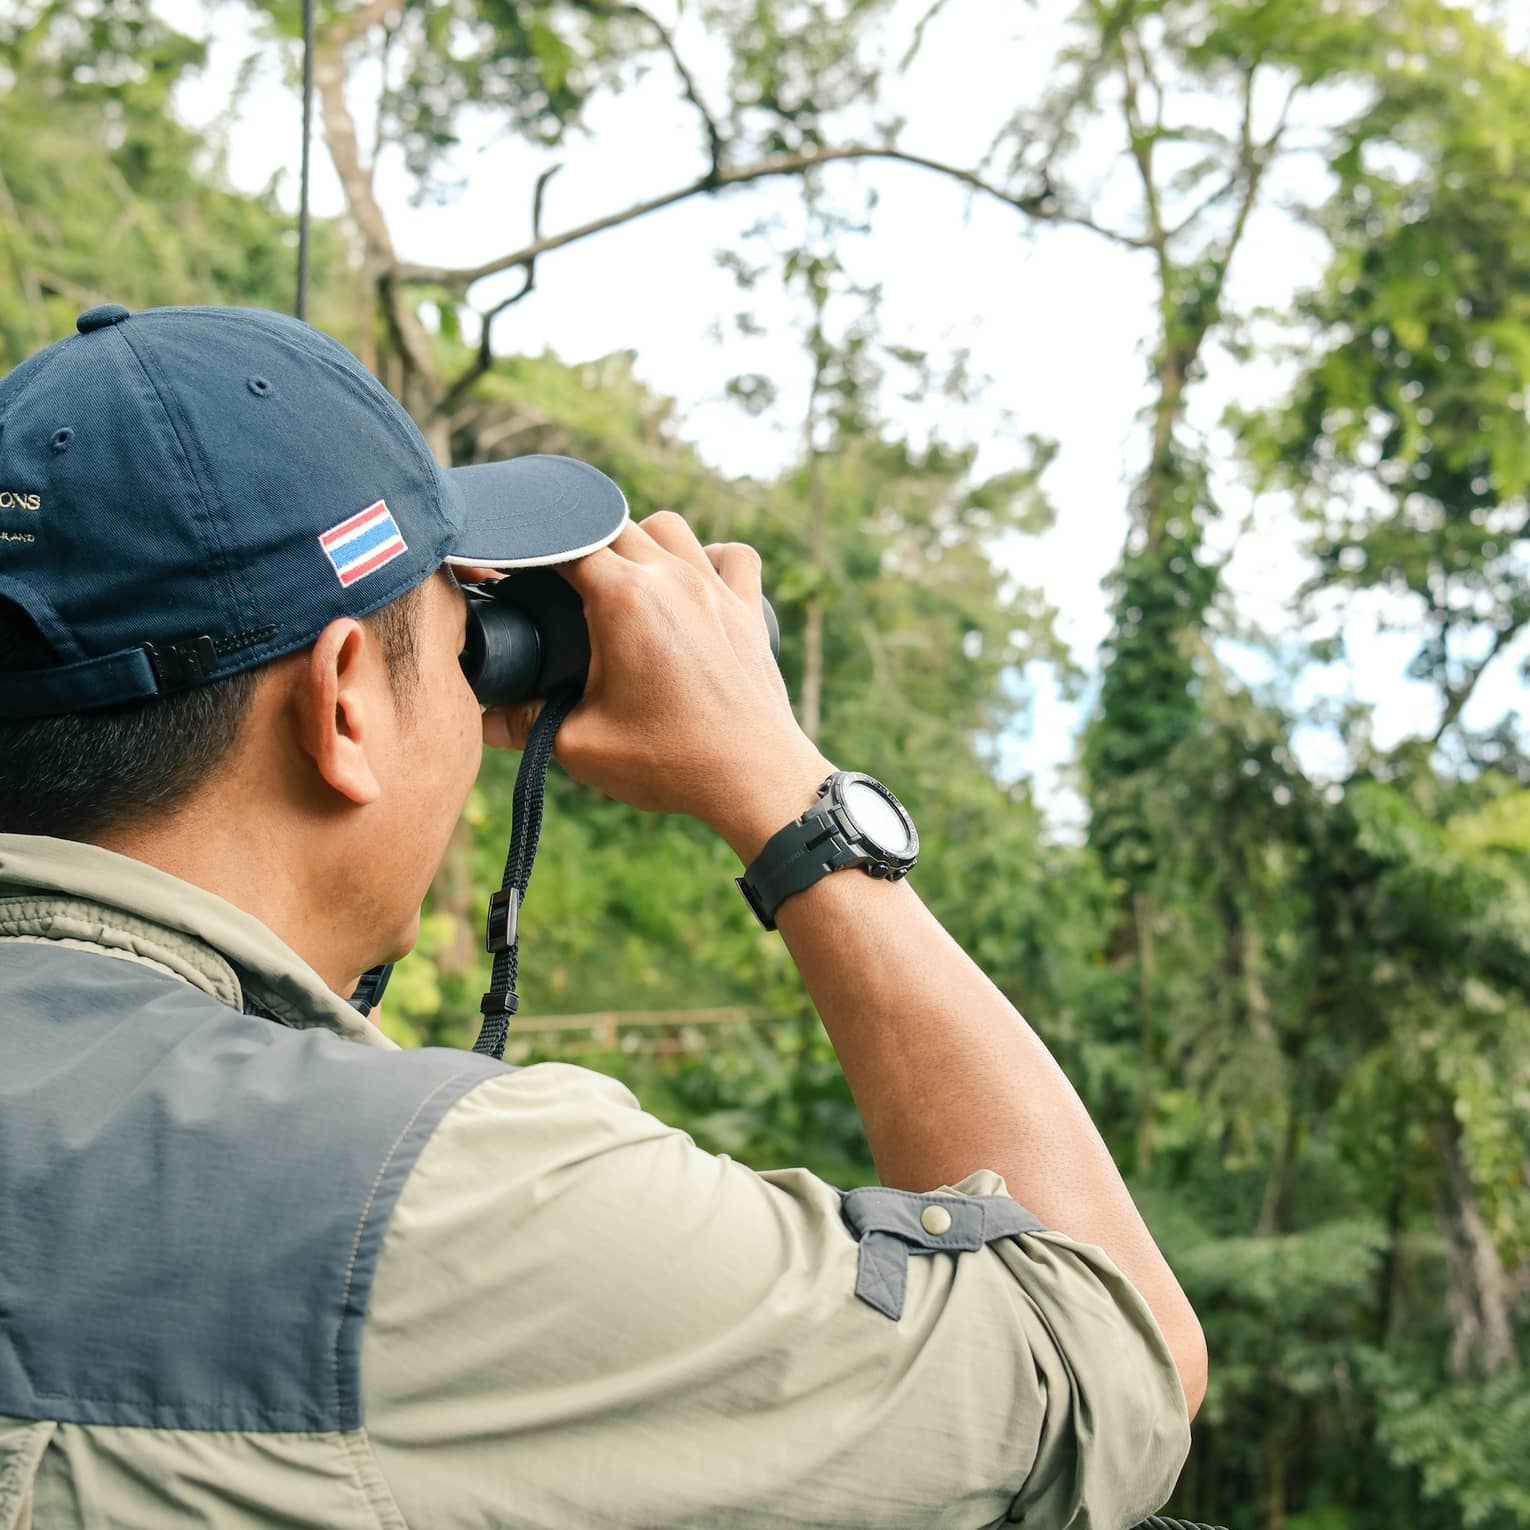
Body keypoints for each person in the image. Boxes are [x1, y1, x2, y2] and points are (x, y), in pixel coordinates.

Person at [0, 303, 1204, 1529]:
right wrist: (788, 794)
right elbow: (1102, 1358)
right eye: (464, 642)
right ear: (347, 706)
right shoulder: (442, 1208)